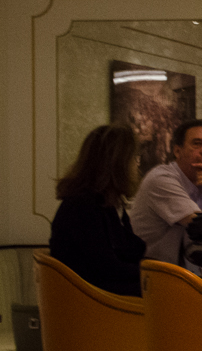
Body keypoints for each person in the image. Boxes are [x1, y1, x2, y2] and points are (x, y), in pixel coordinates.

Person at [49, 124, 147, 297]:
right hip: (90, 300)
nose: (137, 164)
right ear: (118, 163)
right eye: (134, 157)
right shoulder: (82, 207)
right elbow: (106, 268)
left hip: (98, 293)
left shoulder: (107, 203)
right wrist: (153, 274)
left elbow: (129, 251)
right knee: (171, 294)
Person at [131, 119, 202, 268]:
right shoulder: (161, 179)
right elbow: (201, 226)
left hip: (197, 273)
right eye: (197, 144)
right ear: (177, 151)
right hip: (153, 274)